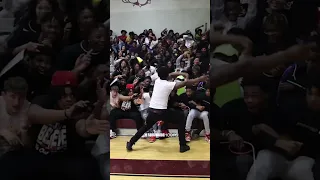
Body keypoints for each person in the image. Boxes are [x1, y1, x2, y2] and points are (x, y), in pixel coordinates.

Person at [126, 67, 208, 152]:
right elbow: (186, 82)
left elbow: (171, 74)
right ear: (167, 75)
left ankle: (131, 143)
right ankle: (182, 145)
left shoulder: (157, 80)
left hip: (152, 110)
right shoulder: (169, 85)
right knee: (181, 118)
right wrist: (200, 78)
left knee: (145, 127)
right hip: (162, 112)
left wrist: (183, 74)